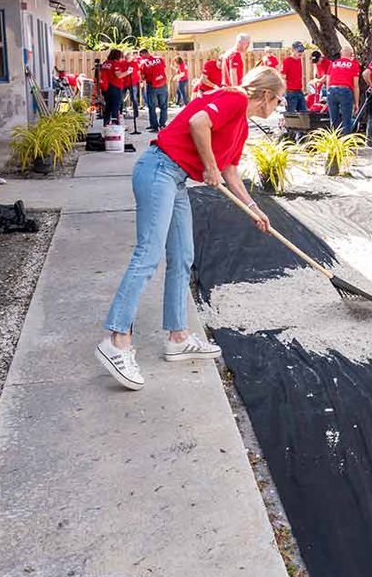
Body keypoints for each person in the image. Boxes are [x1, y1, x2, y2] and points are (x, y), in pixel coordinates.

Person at [97, 66, 286, 390]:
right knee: (148, 253)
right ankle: (117, 340)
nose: (279, 105)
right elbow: (199, 123)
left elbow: (229, 170)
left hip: (177, 179)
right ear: (266, 94)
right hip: (159, 168)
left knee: (183, 256)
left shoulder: (242, 124)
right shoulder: (233, 98)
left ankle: (178, 337)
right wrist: (208, 166)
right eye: (279, 99)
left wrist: (253, 208)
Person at [325, 44, 361, 133]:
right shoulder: (353, 65)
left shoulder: (333, 64)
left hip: (332, 91)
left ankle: (334, 141)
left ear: (341, 53)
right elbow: (356, 85)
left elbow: (328, 81)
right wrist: (356, 103)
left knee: (333, 120)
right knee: (347, 120)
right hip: (345, 91)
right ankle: (346, 142)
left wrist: (328, 94)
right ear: (351, 54)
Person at [139, 48, 169, 132]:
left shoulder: (144, 63)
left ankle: (154, 126)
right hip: (163, 85)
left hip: (152, 86)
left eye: (141, 56)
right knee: (163, 106)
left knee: (152, 106)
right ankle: (162, 124)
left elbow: (143, 77)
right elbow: (163, 68)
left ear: (144, 54)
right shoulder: (160, 59)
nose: (141, 58)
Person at [98, 49, 133, 124]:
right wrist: (128, 72)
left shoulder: (105, 63)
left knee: (108, 105)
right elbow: (119, 75)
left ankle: (106, 123)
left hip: (106, 87)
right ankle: (115, 124)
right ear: (117, 56)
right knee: (115, 105)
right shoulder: (114, 64)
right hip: (114, 87)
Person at [281, 41, 306, 112]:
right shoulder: (287, 61)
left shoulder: (299, 60)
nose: (300, 53)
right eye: (299, 51)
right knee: (291, 115)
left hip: (299, 91)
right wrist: (282, 96)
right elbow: (283, 78)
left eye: (302, 51)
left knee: (304, 115)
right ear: (293, 50)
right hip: (290, 93)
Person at [125, 51, 142, 122]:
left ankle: (136, 113)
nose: (127, 58)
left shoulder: (134, 63)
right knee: (120, 98)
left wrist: (140, 81)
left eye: (129, 57)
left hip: (133, 82)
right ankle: (120, 113)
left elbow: (138, 72)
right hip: (124, 83)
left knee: (134, 98)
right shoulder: (122, 63)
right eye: (126, 57)